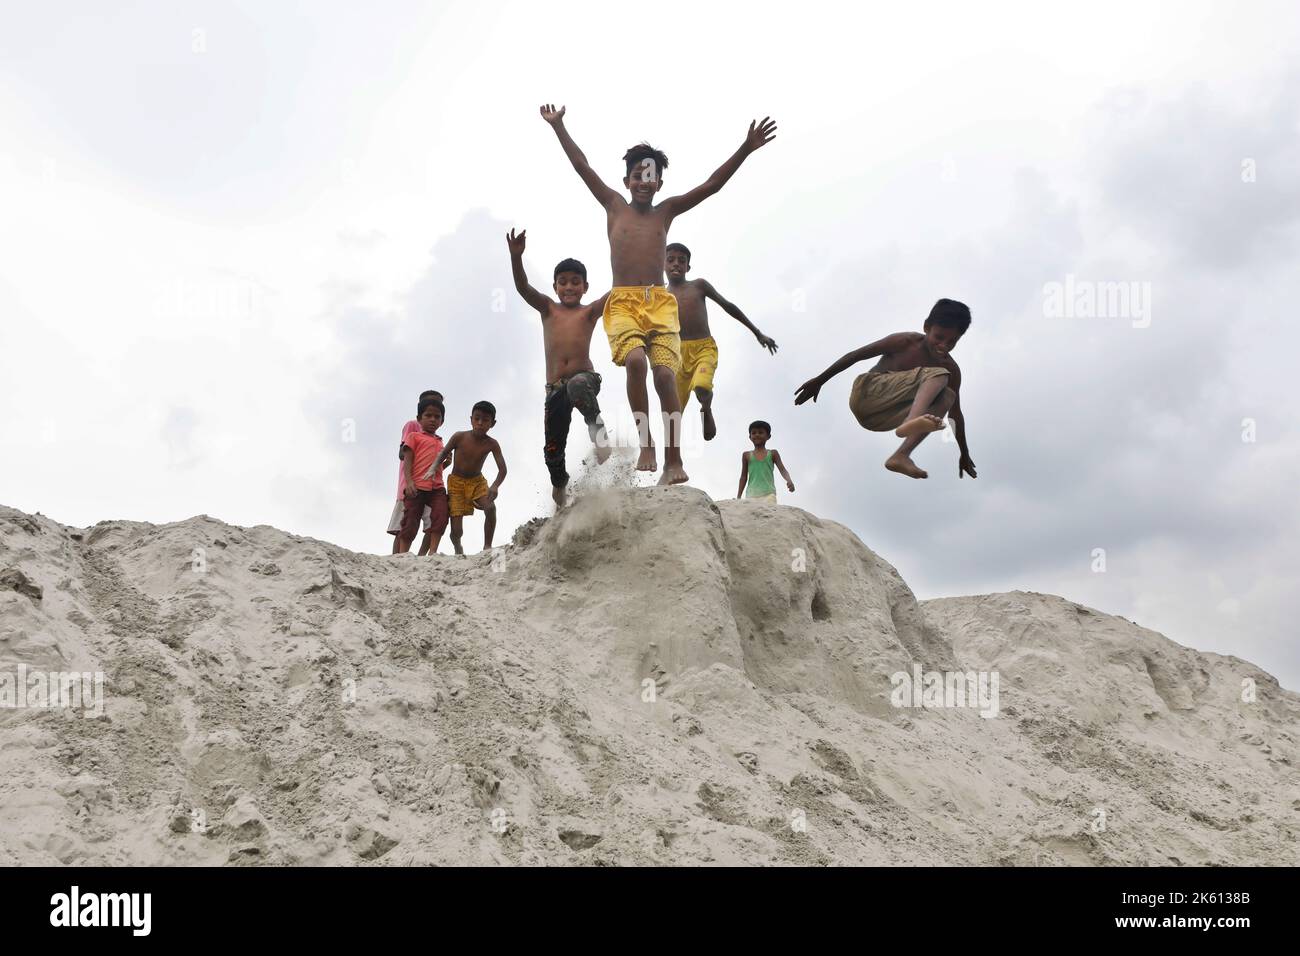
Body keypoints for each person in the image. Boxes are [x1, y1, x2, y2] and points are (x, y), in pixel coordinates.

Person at [539, 102, 777, 484]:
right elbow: (582, 166)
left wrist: (745, 149)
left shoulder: (666, 211)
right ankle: (646, 442)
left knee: (666, 375)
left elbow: (711, 185)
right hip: (624, 303)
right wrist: (558, 127)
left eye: (651, 176)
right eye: (637, 175)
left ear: (660, 183)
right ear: (627, 180)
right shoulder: (613, 205)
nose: (644, 181)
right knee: (634, 363)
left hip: (659, 303)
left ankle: (673, 462)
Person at [794, 298, 977, 480]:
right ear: (926, 327)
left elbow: (955, 414)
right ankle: (912, 419)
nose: (943, 346)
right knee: (940, 374)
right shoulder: (905, 341)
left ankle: (901, 455)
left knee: (948, 396)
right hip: (867, 394)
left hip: (881, 418)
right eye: (939, 337)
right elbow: (856, 356)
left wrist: (964, 452)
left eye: (952, 342)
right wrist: (820, 380)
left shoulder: (952, 368)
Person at [506, 227, 610, 508]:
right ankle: (559, 485)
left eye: (576, 282)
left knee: (577, 385)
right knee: (552, 451)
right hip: (554, 390)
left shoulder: (588, 312)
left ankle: (598, 434)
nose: (569, 287)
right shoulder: (548, 309)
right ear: (554, 287)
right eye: (563, 282)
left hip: (584, 379)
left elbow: (617, 293)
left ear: (585, 287)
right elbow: (523, 288)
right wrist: (517, 258)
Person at [665, 242, 777, 441]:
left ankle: (706, 408)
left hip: (703, 349)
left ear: (688, 267)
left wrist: (757, 332)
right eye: (670, 260)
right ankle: (672, 463)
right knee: (673, 415)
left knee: (701, 386)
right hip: (676, 355)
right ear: (662, 264)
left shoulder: (698, 285)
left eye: (681, 261)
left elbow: (728, 306)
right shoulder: (660, 295)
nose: (676, 264)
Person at [434, 401, 507, 554]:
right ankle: (458, 546)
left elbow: (502, 470)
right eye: (477, 418)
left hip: (477, 482)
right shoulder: (459, 437)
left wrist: (495, 486)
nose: (480, 423)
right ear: (471, 419)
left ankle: (487, 546)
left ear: (492, 423)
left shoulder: (492, 444)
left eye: (485, 420)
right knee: (456, 530)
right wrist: (433, 469)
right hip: (456, 483)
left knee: (490, 507)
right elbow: (443, 453)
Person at [387, 389, 443, 554]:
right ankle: (397, 558)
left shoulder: (437, 437)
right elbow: (402, 453)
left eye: (439, 404)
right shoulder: (413, 425)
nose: (434, 407)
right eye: (429, 403)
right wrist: (417, 443)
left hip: (430, 485)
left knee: (431, 521)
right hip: (409, 482)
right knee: (404, 525)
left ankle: (420, 558)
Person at [736, 420, 794, 502]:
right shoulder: (746, 455)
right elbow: (743, 476)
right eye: (754, 433)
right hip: (751, 495)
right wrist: (738, 496)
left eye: (760, 432)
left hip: (769, 494)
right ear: (750, 437)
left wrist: (789, 480)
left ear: (768, 436)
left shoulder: (773, 453)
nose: (757, 435)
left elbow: (782, 469)